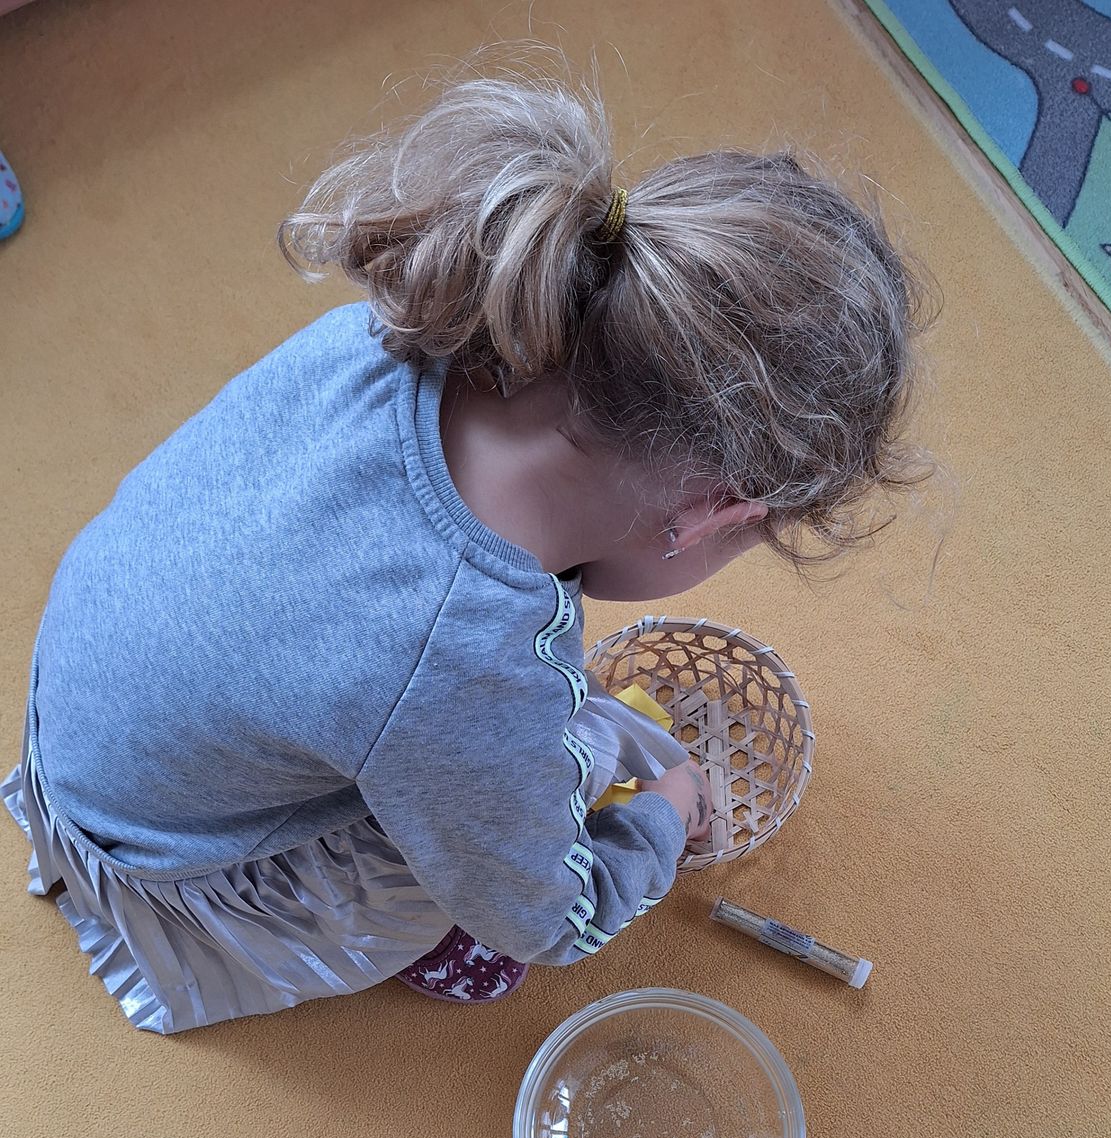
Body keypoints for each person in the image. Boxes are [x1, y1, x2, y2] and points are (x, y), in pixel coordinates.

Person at [3, 73, 928, 1034]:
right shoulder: (457, 655)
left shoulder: (418, 322)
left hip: (86, 691)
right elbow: (549, 918)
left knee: (470, 751)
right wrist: (663, 812)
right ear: (711, 515)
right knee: (487, 938)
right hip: (168, 851)